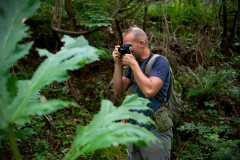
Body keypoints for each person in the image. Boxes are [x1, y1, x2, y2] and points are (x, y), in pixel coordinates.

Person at [112, 27, 173, 160]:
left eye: (128, 46)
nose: (126, 49)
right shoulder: (135, 65)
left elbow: (150, 90)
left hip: (155, 131)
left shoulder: (160, 61)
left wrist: (133, 64)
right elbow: (118, 90)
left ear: (141, 43)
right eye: (124, 46)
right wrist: (117, 64)